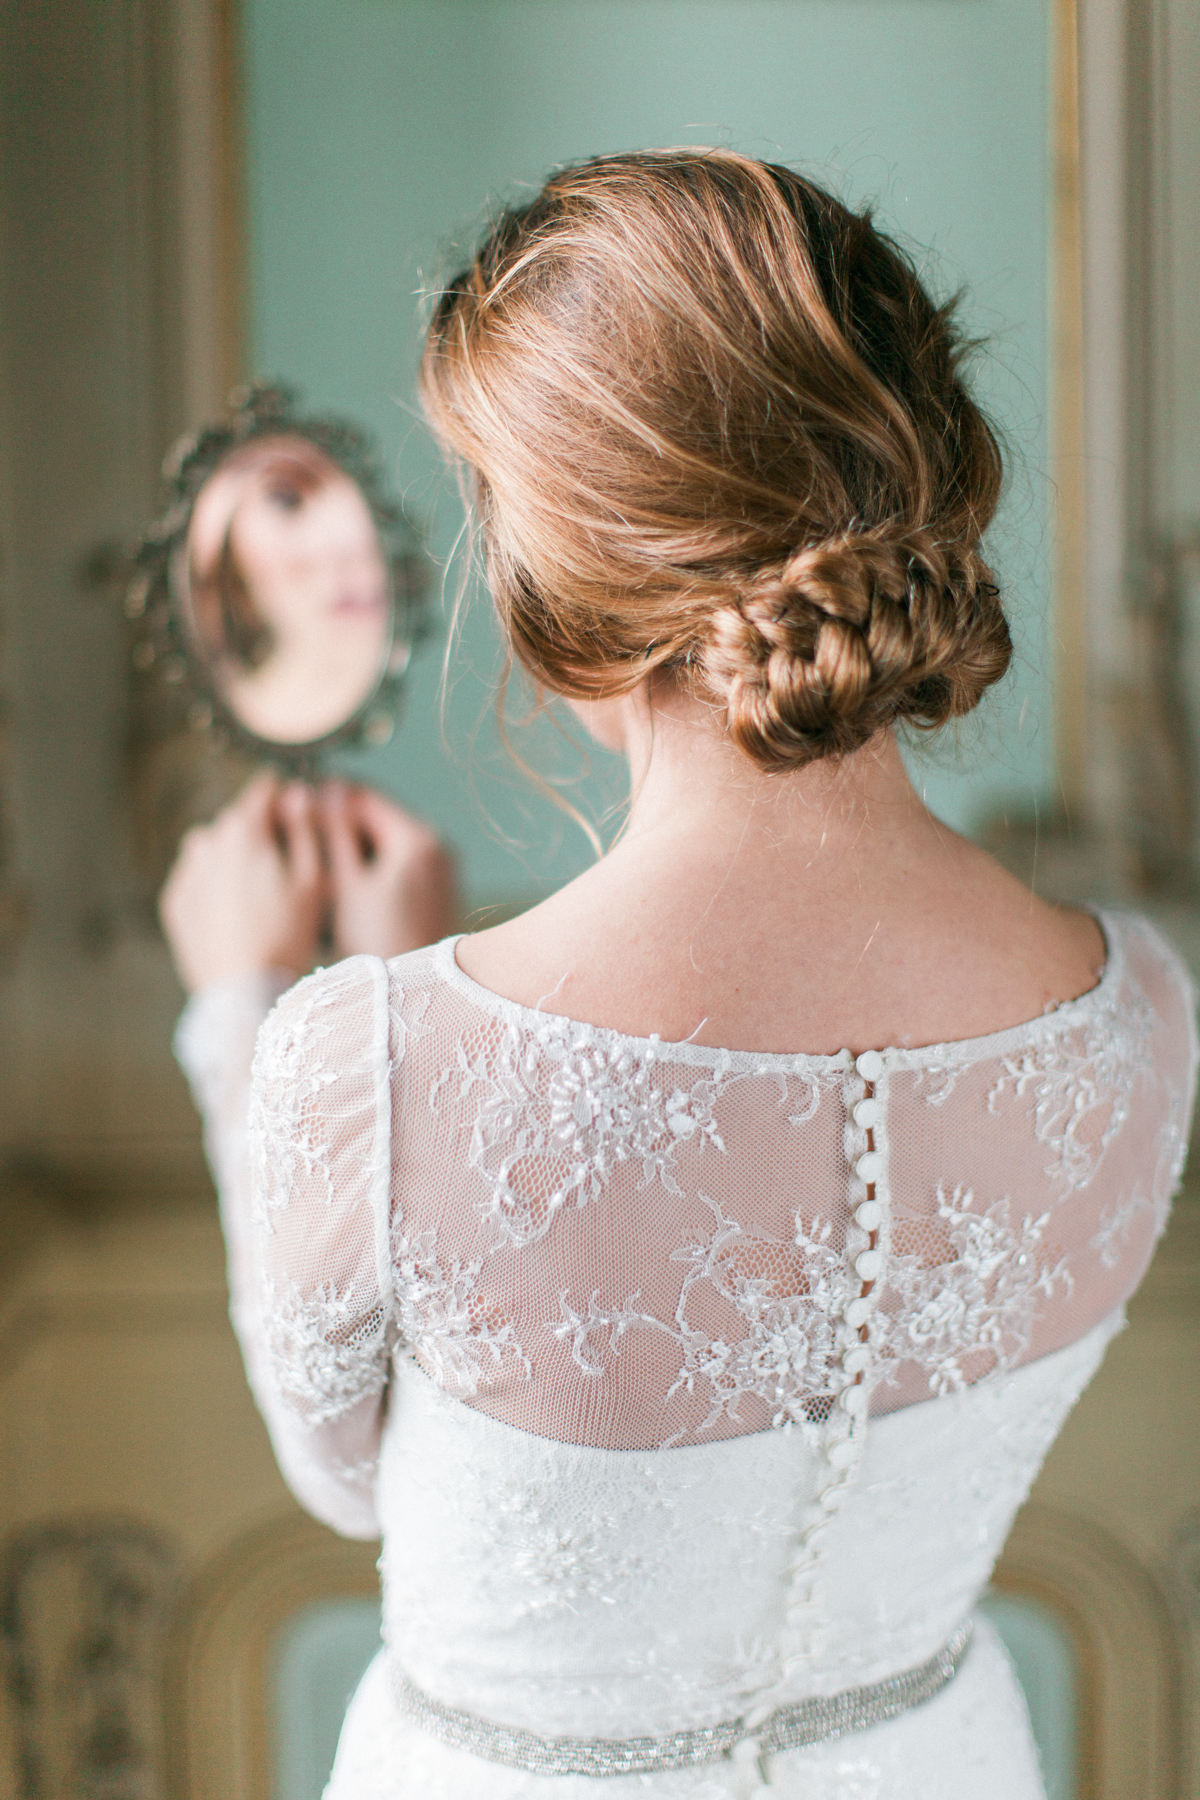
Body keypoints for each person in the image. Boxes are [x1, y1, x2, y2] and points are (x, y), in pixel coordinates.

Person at [161, 151, 1197, 1799]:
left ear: (554, 588)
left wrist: (254, 1016)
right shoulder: (1146, 1007)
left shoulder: (375, 1065)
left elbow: (348, 1485)